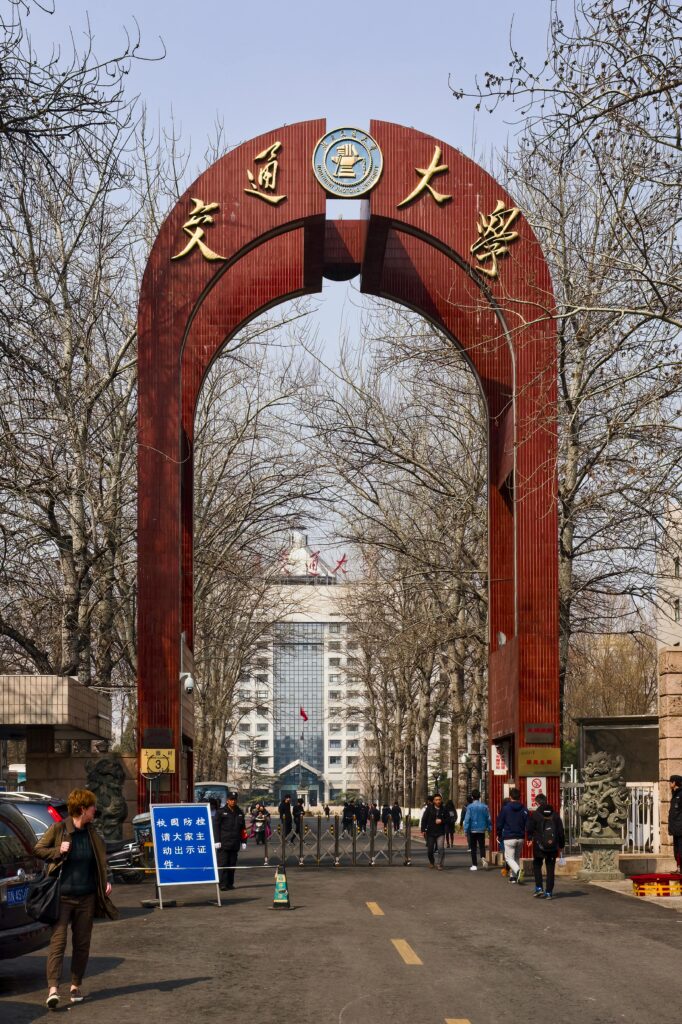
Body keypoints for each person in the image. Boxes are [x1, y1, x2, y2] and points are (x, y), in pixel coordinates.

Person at [34, 787, 118, 1010]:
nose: (95, 811)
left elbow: (100, 862)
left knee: (82, 943)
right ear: (82, 809)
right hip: (62, 897)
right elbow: (38, 849)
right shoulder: (59, 829)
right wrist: (57, 851)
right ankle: (53, 990)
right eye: (92, 807)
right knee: (58, 943)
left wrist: (105, 881)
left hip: (86, 897)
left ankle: (75, 985)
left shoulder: (92, 834)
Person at [526, 792, 565, 899]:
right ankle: (549, 892)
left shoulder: (535, 815)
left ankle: (539, 888)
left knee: (537, 865)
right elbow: (561, 831)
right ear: (546, 801)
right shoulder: (555, 815)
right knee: (550, 868)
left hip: (539, 845)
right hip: (552, 846)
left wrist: (529, 839)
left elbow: (529, 828)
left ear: (537, 803)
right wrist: (561, 845)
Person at [214, 791, 246, 891]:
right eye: (231, 800)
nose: (233, 801)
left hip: (235, 842)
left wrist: (244, 841)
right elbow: (216, 827)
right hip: (223, 842)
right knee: (223, 863)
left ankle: (230, 883)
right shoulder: (221, 812)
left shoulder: (240, 812)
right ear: (227, 800)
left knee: (232, 864)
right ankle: (222, 884)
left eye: (234, 800)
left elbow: (243, 828)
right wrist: (217, 840)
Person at [496, 787, 528, 883]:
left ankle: (518, 872)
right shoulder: (524, 809)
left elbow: (500, 823)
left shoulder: (505, 809)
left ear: (510, 797)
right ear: (520, 797)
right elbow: (528, 823)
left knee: (509, 858)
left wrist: (499, 834)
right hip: (521, 837)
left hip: (509, 837)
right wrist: (529, 836)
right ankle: (513, 878)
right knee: (516, 857)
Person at [462, 789, 492, 871]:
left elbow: (467, 819)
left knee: (473, 847)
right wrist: (489, 828)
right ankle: (483, 857)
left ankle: (474, 865)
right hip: (482, 829)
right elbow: (488, 818)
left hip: (472, 829)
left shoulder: (470, 807)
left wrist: (465, 830)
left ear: (472, 797)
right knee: (482, 846)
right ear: (479, 797)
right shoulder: (485, 806)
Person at [421, 792, 447, 869]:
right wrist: (423, 829)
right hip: (430, 832)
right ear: (433, 801)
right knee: (430, 850)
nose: (438, 801)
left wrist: (441, 820)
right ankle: (432, 862)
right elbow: (424, 819)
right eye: (436, 800)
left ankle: (439, 864)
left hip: (440, 832)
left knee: (440, 848)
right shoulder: (429, 809)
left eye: (439, 799)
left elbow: (449, 819)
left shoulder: (444, 809)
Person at [668, 775, 682, 870]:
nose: (669, 784)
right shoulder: (675, 794)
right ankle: (678, 868)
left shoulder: (681, 794)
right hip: (675, 828)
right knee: (676, 850)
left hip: (680, 828)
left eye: (670, 782)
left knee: (681, 850)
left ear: (675, 783)